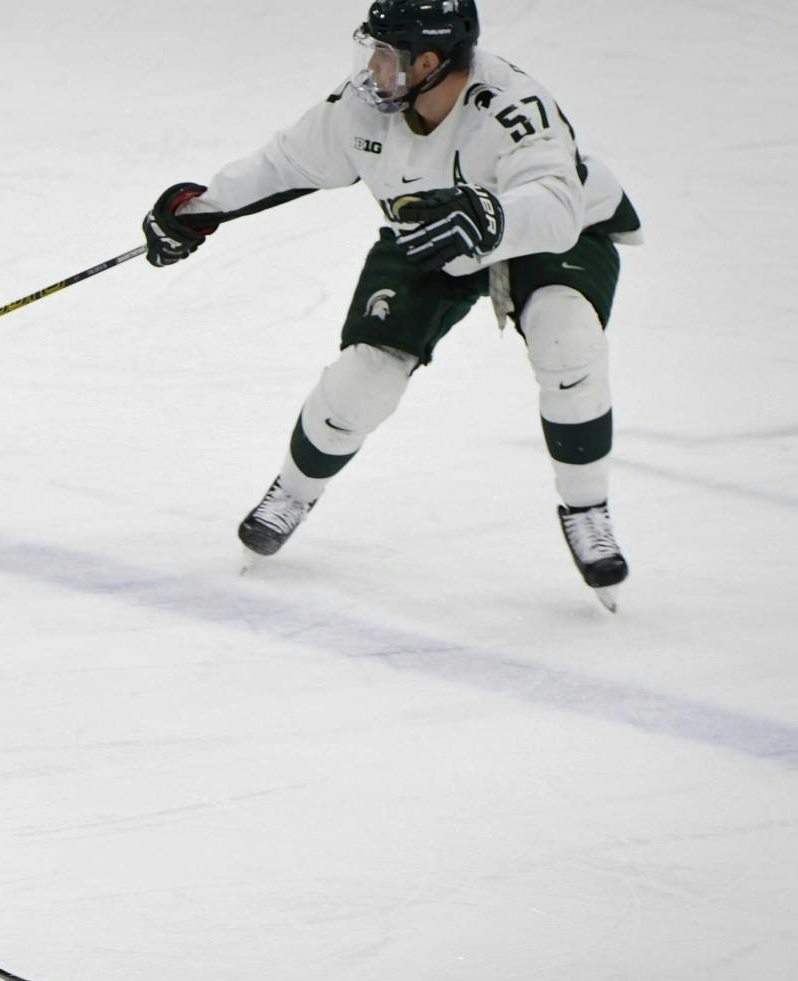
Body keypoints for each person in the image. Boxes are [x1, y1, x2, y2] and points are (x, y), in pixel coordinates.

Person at [141, 0, 642, 609]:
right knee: (364, 375)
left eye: (384, 54)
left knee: (568, 338)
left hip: (548, 231)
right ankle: (293, 493)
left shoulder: (512, 106)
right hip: (431, 232)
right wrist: (201, 208)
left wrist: (493, 216)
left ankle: (587, 510)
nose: (370, 66)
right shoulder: (365, 106)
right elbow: (285, 163)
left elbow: (557, 205)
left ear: (428, 62)